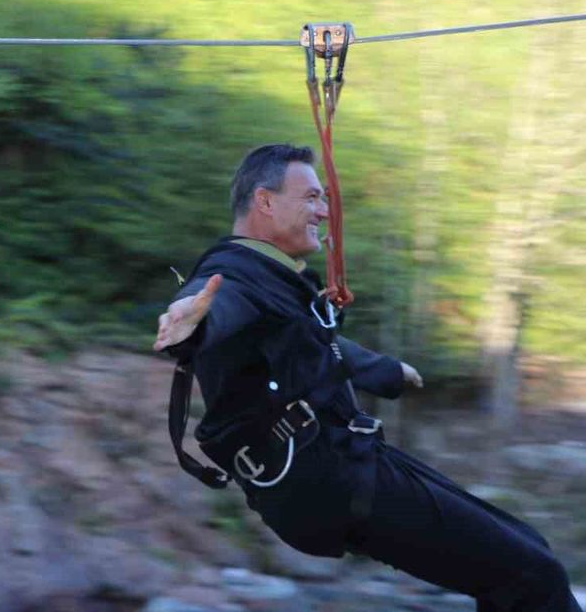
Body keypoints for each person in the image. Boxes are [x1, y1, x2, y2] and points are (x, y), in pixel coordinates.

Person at [155, 144, 580, 611]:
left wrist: (387, 371)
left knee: (529, 550)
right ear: (265, 201)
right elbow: (214, 307)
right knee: (532, 575)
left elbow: (310, 343)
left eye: (323, 199)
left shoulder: (272, 279)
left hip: (333, 469)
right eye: (311, 198)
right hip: (328, 478)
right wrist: (189, 325)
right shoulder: (231, 276)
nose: (323, 211)